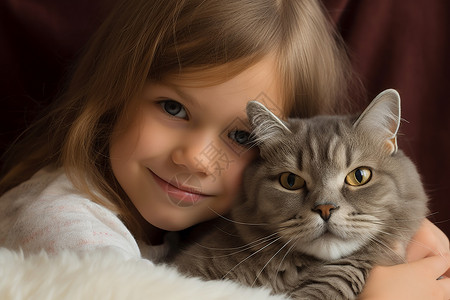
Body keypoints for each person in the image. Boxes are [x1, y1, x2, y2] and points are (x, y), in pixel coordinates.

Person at [0, 0, 448, 299]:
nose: (195, 157)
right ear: (115, 90)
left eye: (240, 138)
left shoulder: (175, 218)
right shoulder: (61, 226)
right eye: (173, 107)